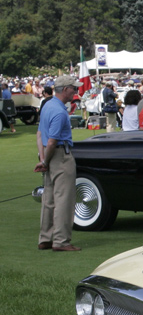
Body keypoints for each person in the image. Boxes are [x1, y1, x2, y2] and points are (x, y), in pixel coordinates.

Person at [35, 75, 82, 251]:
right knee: (64, 199)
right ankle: (61, 241)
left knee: (49, 198)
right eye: (73, 88)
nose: (76, 92)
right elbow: (53, 141)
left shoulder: (47, 105)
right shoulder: (60, 111)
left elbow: (40, 134)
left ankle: (45, 238)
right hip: (60, 155)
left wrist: (43, 159)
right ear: (65, 90)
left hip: (48, 155)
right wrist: (46, 159)